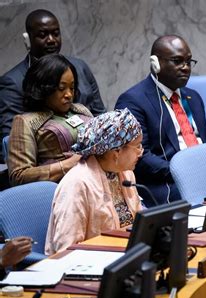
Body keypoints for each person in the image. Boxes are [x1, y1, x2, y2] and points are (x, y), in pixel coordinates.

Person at [115, 35, 206, 206]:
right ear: (156, 64)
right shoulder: (133, 101)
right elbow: (140, 156)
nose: (185, 68)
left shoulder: (193, 97)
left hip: (203, 177)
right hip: (166, 183)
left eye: (188, 62)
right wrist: (185, 171)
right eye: (177, 61)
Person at [0, 9, 105, 163]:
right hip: (50, 165)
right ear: (28, 40)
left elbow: (100, 114)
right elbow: (11, 143)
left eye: (55, 34)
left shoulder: (80, 67)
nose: (51, 40)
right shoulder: (13, 82)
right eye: (43, 35)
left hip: (93, 156)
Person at [45, 109, 143, 255]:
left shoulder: (125, 173)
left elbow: (138, 224)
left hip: (124, 255)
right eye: (137, 146)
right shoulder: (77, 185)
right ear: (116, 151)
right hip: (88, 264)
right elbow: (66, 249)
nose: (141, 152)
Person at [8, 54, 93, 186]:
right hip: (61, 190)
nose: (69, 94)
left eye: (72, 87)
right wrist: (68, 164)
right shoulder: (25, 121)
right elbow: (19, 175)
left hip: (98, 180)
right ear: (43, 88)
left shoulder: (81, 109)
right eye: (61, 88)